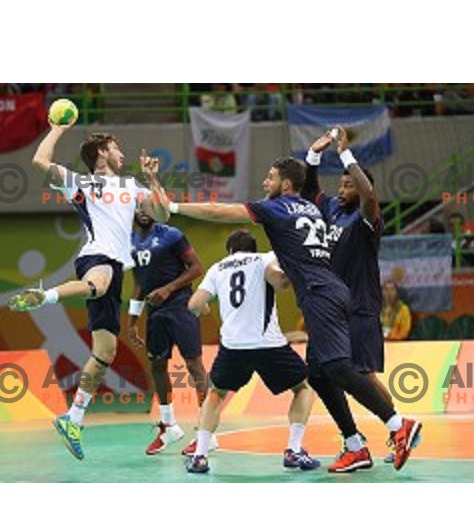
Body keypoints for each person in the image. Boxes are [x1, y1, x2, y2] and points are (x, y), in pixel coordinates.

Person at [167, 156, 422, 473]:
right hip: (330, 291)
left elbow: (218, 211)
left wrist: (173, 208)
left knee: (339, 367)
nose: (265, 183)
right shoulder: (312, 207)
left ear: (286, 184)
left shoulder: (277, 208)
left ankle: (398, 424)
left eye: (270, 177)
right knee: (316, 374)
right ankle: (355, 445)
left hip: (320, 293)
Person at [8, 116, 170, 461]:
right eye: (117, 148)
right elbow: (39, 162)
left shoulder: (131, 185)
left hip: (115, 265)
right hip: (96, 258)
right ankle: (46, 295)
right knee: (99, 284)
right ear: (102, 152)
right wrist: (57, 130)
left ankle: (73, 418)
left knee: (105, 353)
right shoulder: (80, 182)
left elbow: (163, 214)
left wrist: (152, 177)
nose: (122, 154)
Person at [185, 230, 320, 473]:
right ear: (253, 248)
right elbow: (279, 280)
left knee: (216, 394)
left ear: (229, 251)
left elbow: (194, 305)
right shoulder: (264, 258)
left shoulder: (218, 268)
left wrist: (204, 308)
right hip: (269, 345)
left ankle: (200, 456)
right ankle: (294, 450)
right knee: (303, 388)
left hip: (234, 347)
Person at [303, 127, 400, 463]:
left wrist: (346, 154)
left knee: (359, 375)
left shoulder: (366, 219)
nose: (342, 189)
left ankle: (397, 430)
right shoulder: (331, 210)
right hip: (332, 309)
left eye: (349, 185)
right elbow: (310, 192)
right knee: (325, 373)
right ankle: (373, 437)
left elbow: (370, 195)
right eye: (341, 183)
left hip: (359, 307)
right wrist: (314, 157)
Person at [129, 209, 213, 455]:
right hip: (155, 313)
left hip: (180, 307)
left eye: (148, 206)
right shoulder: (131, 241)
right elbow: (139, 284)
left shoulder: (172, 234)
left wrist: (168, 288)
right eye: (139, 206)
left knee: (194, 364)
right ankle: (169, 426)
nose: (144, 212)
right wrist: (133, 321)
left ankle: (208, 432)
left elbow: (197, 267)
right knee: (156, 364)